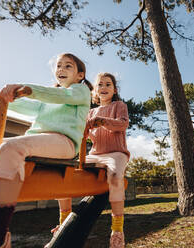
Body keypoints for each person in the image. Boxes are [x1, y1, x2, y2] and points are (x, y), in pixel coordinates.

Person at [0, 53, 92, 248]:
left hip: (63, 142)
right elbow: (29, 106)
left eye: (68, 66)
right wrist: (1, 97)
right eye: (58, 66)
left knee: (10, 148)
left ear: (80, 75)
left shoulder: (80, 91)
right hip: (38, 140)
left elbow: (61, 96)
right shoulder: (47, 99)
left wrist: (24, 89)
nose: (61, 69)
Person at [51, 72, 130, 248]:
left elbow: (123, 124)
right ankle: (63, 221)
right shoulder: (90, 112)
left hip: (116, 153)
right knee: (66, 173)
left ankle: (117, 230)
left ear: (114, 90)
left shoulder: (119, 105)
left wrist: (102, 121)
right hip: (95, 154)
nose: (104, 87)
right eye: (100, 84)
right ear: (94, 91)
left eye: (108, 84)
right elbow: (82, 135)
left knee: (116, 177)